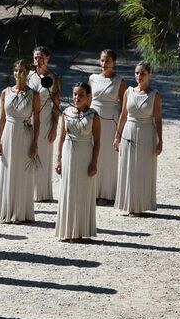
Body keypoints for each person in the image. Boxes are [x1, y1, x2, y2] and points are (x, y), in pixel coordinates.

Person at [115, 60, 163, 216]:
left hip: (146, 132)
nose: (139, 76)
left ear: (149, 74)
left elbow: (158, 119)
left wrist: (160, 141)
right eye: (137, 73)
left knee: (142, 168)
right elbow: (123, 115)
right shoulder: (128, 92)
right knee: (128, 167)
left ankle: (140, 205)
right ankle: (128, 203)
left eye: (143, 73)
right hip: (129, 131)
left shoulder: (154, 95)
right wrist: (117, 136)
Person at [0, 60, 41, 224]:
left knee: (22, 172)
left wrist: (35, 143)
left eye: (22, 71)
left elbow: (37, 120)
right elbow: (2, 118)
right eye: (16, 70)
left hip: (24, 133)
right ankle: (7, 210)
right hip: (8, 133)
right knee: (8, 170)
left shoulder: (34, 94)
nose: (18, 73)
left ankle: (21, 212)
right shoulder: (5, 92)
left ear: (27, 73)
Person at [56, 82, 101, 241]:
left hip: (85, 155)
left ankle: (80, 230)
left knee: (82, 191)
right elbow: (61, 137)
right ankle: (67, 229)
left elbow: (98, 142)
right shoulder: (66, 112)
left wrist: (94, 163)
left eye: (81, 95)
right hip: (69, 154)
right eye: (75, 94)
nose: (77, 97)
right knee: (68, 189)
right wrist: (58, 159)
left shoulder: (94, 115)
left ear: (89, 97)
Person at [89, 49, 127, 204]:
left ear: (114, 63)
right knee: (92, 152)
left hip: (110, 120)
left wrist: (120, 131)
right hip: (93, 117)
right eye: (102, 60)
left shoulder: (119, 81)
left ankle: (106, 193)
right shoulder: (92, 78)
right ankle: (92, 190)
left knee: (107, 155)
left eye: (108, 61)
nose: (104, 64)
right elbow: (88, 98)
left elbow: (124, 108)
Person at [29, 46, 62, 203]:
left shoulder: (53, 78)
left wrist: (55, 126)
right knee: (28, 151)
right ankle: (28, 189)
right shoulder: (28, 76)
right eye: (35, 57)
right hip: (29, 118)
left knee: (42, 152)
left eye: (41, 57)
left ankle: (42, 192)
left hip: (45, 117)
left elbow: (56, 106)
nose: (38, 60)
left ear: (48, 58)